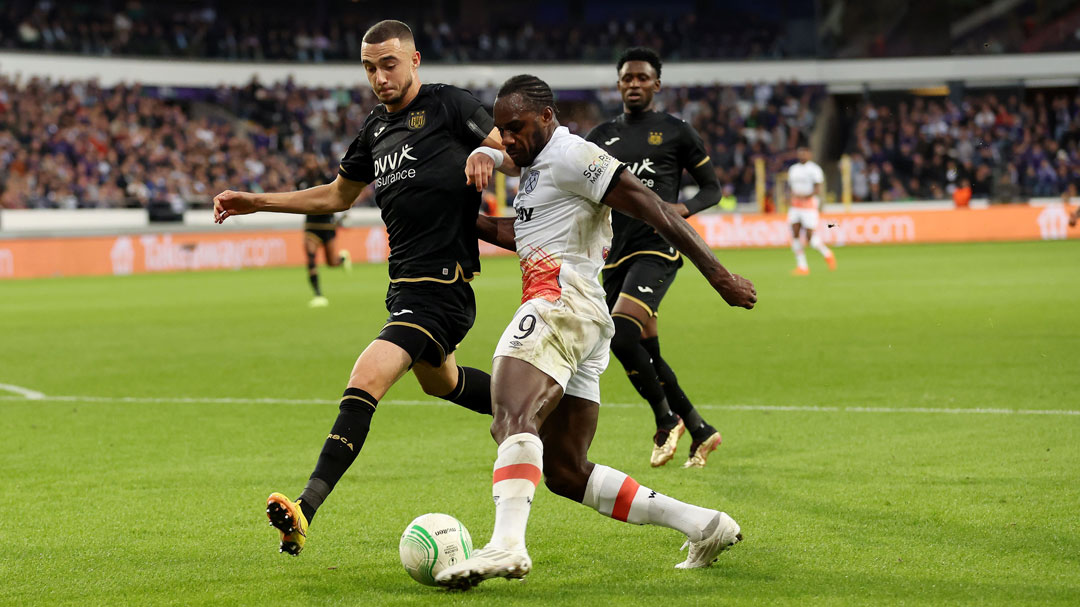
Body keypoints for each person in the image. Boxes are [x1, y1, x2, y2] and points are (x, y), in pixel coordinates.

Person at [435, 75, 756, 589]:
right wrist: (464, 216)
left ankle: (507, 546)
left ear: (546, 116)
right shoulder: (540, 170)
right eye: (500, 130)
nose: (507, 138)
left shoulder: (571, 155)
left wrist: (717, 274)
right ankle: (705, 524)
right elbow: (523, 233)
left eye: (515, 127)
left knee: (511, 415)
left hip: (559, 304)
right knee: (564, 469)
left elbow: (649, 203)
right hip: (585, 317)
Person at [212, 19, 502, 556]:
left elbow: (509, 142)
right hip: (404, 287)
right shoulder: (374, 130)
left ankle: (305, 508)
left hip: (442, 285)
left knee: (367, 374)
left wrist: (491, 154)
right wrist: (258, 201)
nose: (379, 77)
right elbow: (335, 196)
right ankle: (530, 409)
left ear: (414, 60)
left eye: (388, 64)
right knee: (443, 383)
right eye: (369, 67)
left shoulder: (450, 104)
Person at [586, 47, 726, 469]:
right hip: (614, 252)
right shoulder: (599, 138)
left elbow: (711, 189)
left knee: (622, 335)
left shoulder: (676, 132)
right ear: (619, 84)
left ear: (656, 84)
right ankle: (699, 428)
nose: (634, 84)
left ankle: (666, 419)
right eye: (627, 78)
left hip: (657, 246)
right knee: (648, 350)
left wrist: (681, 212)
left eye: (642, 78)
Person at [297, 153, 352, 307]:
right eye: (307, 162)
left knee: (332, 263)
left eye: (312, 161)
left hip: (327, 225)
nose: (310, 165)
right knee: (310, 256)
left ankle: (342, 259)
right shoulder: (301, 182)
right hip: (311, 226)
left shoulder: (327, 178)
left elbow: (337, 195)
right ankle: (318, 295)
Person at [787, 145, 836, 275]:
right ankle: (802, 266)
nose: (802, 155)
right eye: (800, 153)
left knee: (810, 238)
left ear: (810, 155)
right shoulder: (793, 169)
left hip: (809, 207)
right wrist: (790, 197)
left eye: (804, 153)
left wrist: (804, 196)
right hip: (795, 206)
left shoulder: (814, 169)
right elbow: (791, 188)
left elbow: (817, 189)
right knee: (795, 234)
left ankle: (827, 253)